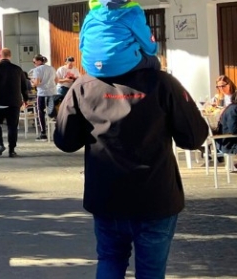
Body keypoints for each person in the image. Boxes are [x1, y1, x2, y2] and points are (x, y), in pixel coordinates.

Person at [54, 66, 208, 279]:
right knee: (151, 270)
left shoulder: (83, 86)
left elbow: (65, 141)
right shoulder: (164, 82)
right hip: (156, 195)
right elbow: (193, 137)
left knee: (110, 259)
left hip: (106, 195)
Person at [80, 0, 160, 78]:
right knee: (153, 61)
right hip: (119, 64)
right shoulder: (133, 13)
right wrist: (152, 48)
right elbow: (149, 46)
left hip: (90, 66)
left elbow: (82, 45)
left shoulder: (91, 14)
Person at [0, 48, 29, 158]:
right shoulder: (18, 70)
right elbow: (24, 87)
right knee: (12, 126)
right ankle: (12, 150)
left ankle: (0, 143)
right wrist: (26, 99)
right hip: (14, 103)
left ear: (0, 56)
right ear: (10, 56)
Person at [31, 54, 57, 139]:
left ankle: (43, 133)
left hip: (42, 93)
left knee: (41, 112)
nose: (34, 64)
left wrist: (32, 83)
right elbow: (56, 80)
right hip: (52, 92)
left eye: (34, 62)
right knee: (53, 112)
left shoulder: (37, 70)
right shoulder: (52, 68)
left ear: (39, 61)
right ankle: (57, 131)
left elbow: (37, 83)